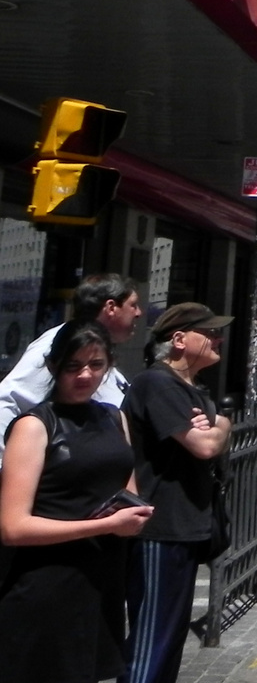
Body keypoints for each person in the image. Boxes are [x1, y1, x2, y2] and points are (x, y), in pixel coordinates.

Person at [0, 319, 154, 683]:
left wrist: (135, 513)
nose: (85, 375)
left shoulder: (113, 417)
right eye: (74, 366)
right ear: (53, 367)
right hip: (47, 585)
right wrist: (105, 525)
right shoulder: (35, 426)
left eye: (96, 365)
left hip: (102, 583)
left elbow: (125, 489)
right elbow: (12, 527)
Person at [121, 303, 233, 683]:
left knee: (170, 641)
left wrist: (219, 426)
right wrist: (219, 428)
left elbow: (212, 434)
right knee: (151, 643)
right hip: (159, 528)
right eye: (210, 332)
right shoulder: (157, 383)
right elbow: (203, 446)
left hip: (187, 527)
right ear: (180, 340)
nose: (218, 338)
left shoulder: (193, 390)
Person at [0, 274, 144, 463]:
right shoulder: (58, 344)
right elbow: (8, 400)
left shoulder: (102, 353)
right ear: (111, 307)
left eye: (97, 365)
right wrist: (6, 467)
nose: (139, 313)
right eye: (133, 305)